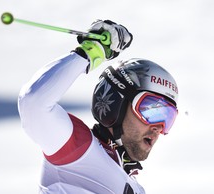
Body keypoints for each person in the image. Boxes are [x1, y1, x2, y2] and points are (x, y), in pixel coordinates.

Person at [18, 20, 178, 194]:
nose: (158, 128)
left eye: (168, 117)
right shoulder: (79, 148)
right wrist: (91, 52)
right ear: (116, 104)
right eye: (150, 111)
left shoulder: (135, 187)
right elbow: (34, 104)